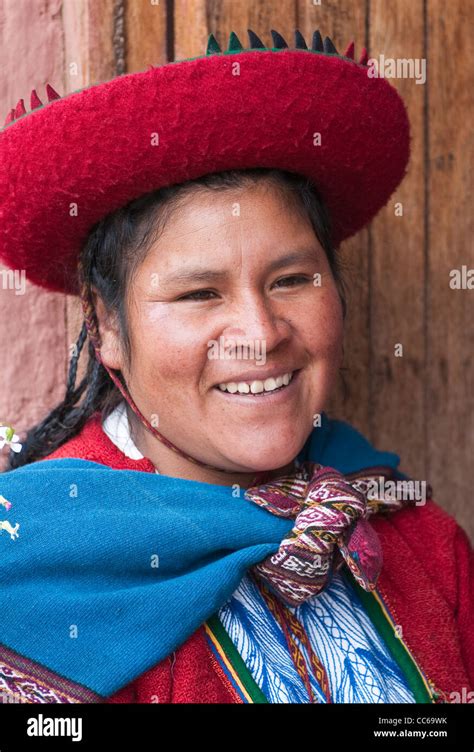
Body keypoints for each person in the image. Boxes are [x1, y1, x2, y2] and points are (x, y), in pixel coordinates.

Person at [0, 29, 472, 705]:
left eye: (291, 280)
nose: (261, 334)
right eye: (200, 294)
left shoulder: (422, 546)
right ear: (106, 326)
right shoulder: (28, 580)